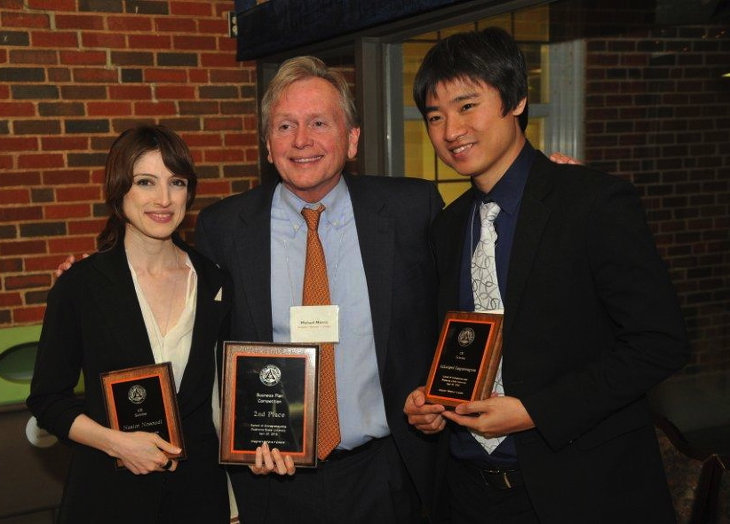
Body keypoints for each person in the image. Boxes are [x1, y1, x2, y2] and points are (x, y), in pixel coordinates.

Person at [403, 28, 690, 523]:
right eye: (435, 116)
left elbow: (659, 342)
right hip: (470, 494)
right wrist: (429, 399)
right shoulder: (448, 227)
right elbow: (462, 343)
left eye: (467, 106)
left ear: (516, 99)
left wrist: (534, 410)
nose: (450, 130)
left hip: (582, 490)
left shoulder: (592, 202)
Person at [195, 56, 443, 523]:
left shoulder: (413, 210)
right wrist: (95, 269)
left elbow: (471, 281)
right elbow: (180, 307)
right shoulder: (224, 228)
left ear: (351, 139)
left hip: (387, 475)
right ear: (268, 145)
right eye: (285, 125)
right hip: (272, 482)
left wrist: (544, 180)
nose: (301, 140)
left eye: (319, 123)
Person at [27, 125, 231, 523]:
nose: (164, 199)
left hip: (197, 499)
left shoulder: (215, 282)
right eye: (145, 182)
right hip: (107, 497)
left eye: (176, 182)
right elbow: (48, 400)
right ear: (120, 190)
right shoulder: (81, 285)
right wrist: (117, 443)